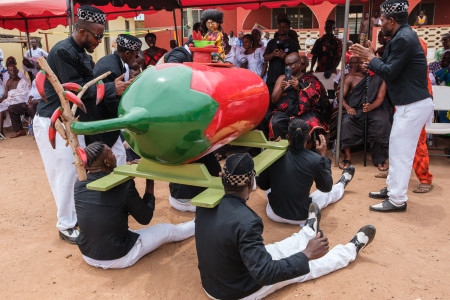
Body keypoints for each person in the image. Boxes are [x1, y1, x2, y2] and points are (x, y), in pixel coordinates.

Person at [195, 152, 376, 300]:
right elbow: (265, 274)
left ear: (223, 179)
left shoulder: (204, 203)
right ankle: (350, 250)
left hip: (213, 283)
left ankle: (307, 231)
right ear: (251, 183)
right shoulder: (247, 220)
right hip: (236, 292)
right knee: (306, 268)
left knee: (275, 250)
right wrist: (307, 254)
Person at [33, 6, 131, 243]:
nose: (100, 41)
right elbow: (74, 89)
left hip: (72, 122)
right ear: (82, 31)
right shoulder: (63, 52)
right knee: (65, 175)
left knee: (78, 171)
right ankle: (66, 225)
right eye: (97, 35)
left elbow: (88, 85)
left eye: (102, 36)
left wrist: (109, 89)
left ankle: (76, 218)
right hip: (53, 121)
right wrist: (110, 89)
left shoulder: (81, 54)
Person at [351, 0, 434, 212]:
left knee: (401, 153)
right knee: (397, 150)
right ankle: (392, 190)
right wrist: (371, 54)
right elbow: (385, 63)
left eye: (383, 19)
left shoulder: (404, 39)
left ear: (392, 20)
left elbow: (389, 72)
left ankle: (397, 200)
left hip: (412, 105)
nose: (380, 22)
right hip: (409, 104)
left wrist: (371, 58)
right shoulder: (401, 36)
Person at [74, 142, 195, 269]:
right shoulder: (123, 186)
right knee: (168, 230)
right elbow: (145, 217)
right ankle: (199, 223)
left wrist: (130, 173)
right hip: (119, 257)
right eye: (112, 153)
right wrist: (149, 177)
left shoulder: (79, 183)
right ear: (107, 162)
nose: (115, 155)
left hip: (87, 254)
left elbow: (109, 199)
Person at [257, 119, 355, 225]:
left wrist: (271, 151)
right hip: (302, 217)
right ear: (308, 138)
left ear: (288, 137)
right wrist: (323, 156)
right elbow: (326, 188)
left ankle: (342, 183)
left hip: (273, 214)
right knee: (326, 195)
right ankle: (342, 183)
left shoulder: (274, 154)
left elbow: (263, 186)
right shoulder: (316, 159)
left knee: (274, 185)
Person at [91, 34, 142, 166]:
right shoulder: (111, 69)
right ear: (127, 53)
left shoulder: (114, 61)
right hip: (102, 122)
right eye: (136, 55)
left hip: (106, 122)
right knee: (116, 159)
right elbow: (111, 104)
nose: (137, 58)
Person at [339, 56, 391, 171]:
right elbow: (340, 97)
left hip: (374, 109)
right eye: (360, 63)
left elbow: (380, 98)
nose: (361, 65)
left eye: (364, 63)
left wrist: (371, 106)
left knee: (381, 122)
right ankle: (347, 156)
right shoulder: (350, 77)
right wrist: (348, 108)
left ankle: (380, 159)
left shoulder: (380, 78)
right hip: (355, 109)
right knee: (347, 122)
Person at [270, 53, 329, 140]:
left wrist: (299, 87)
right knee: (275, 122)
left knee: (312, 123)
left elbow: (317, 100)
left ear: (299, 63)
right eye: (286, 65)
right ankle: (281, 149)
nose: (288, 67)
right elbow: (274, 101)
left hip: (304, 112)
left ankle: (307, 150)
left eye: (291, 64)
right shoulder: (282, 78)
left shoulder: (309, 79)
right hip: (285, 113)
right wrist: (281, 89)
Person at [264, 18, 300, 95]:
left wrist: (285, 57)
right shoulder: (272, 42)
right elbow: (265, 58)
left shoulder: (293, 43)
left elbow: (296, 61)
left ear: (288, 28)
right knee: (271, 96)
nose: (281, 29)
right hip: (272, 74)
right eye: (280, 27)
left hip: (287, 73)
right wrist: (273, 54)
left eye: (284, 27)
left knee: (285, 97)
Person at [0, 64, 31, 138]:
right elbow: (6, 96)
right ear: (8, 72)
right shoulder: (8, 82)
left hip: (24, 105)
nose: (13, 71)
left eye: (14, 70)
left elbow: (26, 94)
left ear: (17, 71)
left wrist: (16, 98)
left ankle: (20, 130)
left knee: (11, 108)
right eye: (10, 70)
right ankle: (1, 132)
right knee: (1, 108)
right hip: (12, 102)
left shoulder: (22, 82)